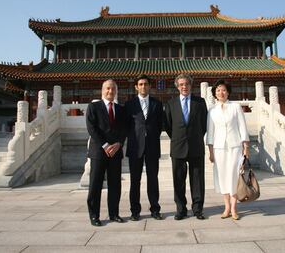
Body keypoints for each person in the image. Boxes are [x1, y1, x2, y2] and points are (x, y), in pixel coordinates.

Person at [164, 74, 208, 220]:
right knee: (178, 180)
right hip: (178, 146)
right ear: (177, 86)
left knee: (197, 179)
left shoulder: (200, 102)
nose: (184, 87)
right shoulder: (170, 103)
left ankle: (197, 209)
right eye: (181, 84)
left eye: (187, 84)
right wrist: (178, 138)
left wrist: (194, 137)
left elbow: (204, 125)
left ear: (191, 85)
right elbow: (168, 126)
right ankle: (181, 209)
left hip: (196, 146)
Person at [206, 79, 250, 220]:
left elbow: (242, 127)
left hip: (235, 146)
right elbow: (210, 132)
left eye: (223, 90)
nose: (221, 92)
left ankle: (234, 209)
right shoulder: (212, 110)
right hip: (219, 148)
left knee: (234, 176)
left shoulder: (235, 107)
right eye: (218, 90)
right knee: (223, 177)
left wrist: (246, 147)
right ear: (215, 93)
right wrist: (211, 151)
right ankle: (226, 208)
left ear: (228, 91)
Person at [86, 79, 126, 226]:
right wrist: (105, 145)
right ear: (102, 90)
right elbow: (92, 128)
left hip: (115, 151)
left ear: (116, 91)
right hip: (99, 152)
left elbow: (124, 129)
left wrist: (119, 143)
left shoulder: (120, 109)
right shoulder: (94, 107)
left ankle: (114, 213)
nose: (110, 91)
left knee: (115, 184)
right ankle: (94, 215)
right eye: (107, 89)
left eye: (113, 89)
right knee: (95, 184)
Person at [125, 74, 163, 221]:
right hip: (135, 147)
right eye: (140, 84)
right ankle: (135, 210)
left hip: (152, 146)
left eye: (146, 84)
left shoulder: (157, 103)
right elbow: (126, 125)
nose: (143, 86)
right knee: (135, 180)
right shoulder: (129, 104)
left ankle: (155, 209)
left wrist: (151, 135)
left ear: (149, 86)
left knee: (153, 178)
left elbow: (160, 124)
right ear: (136, 87)